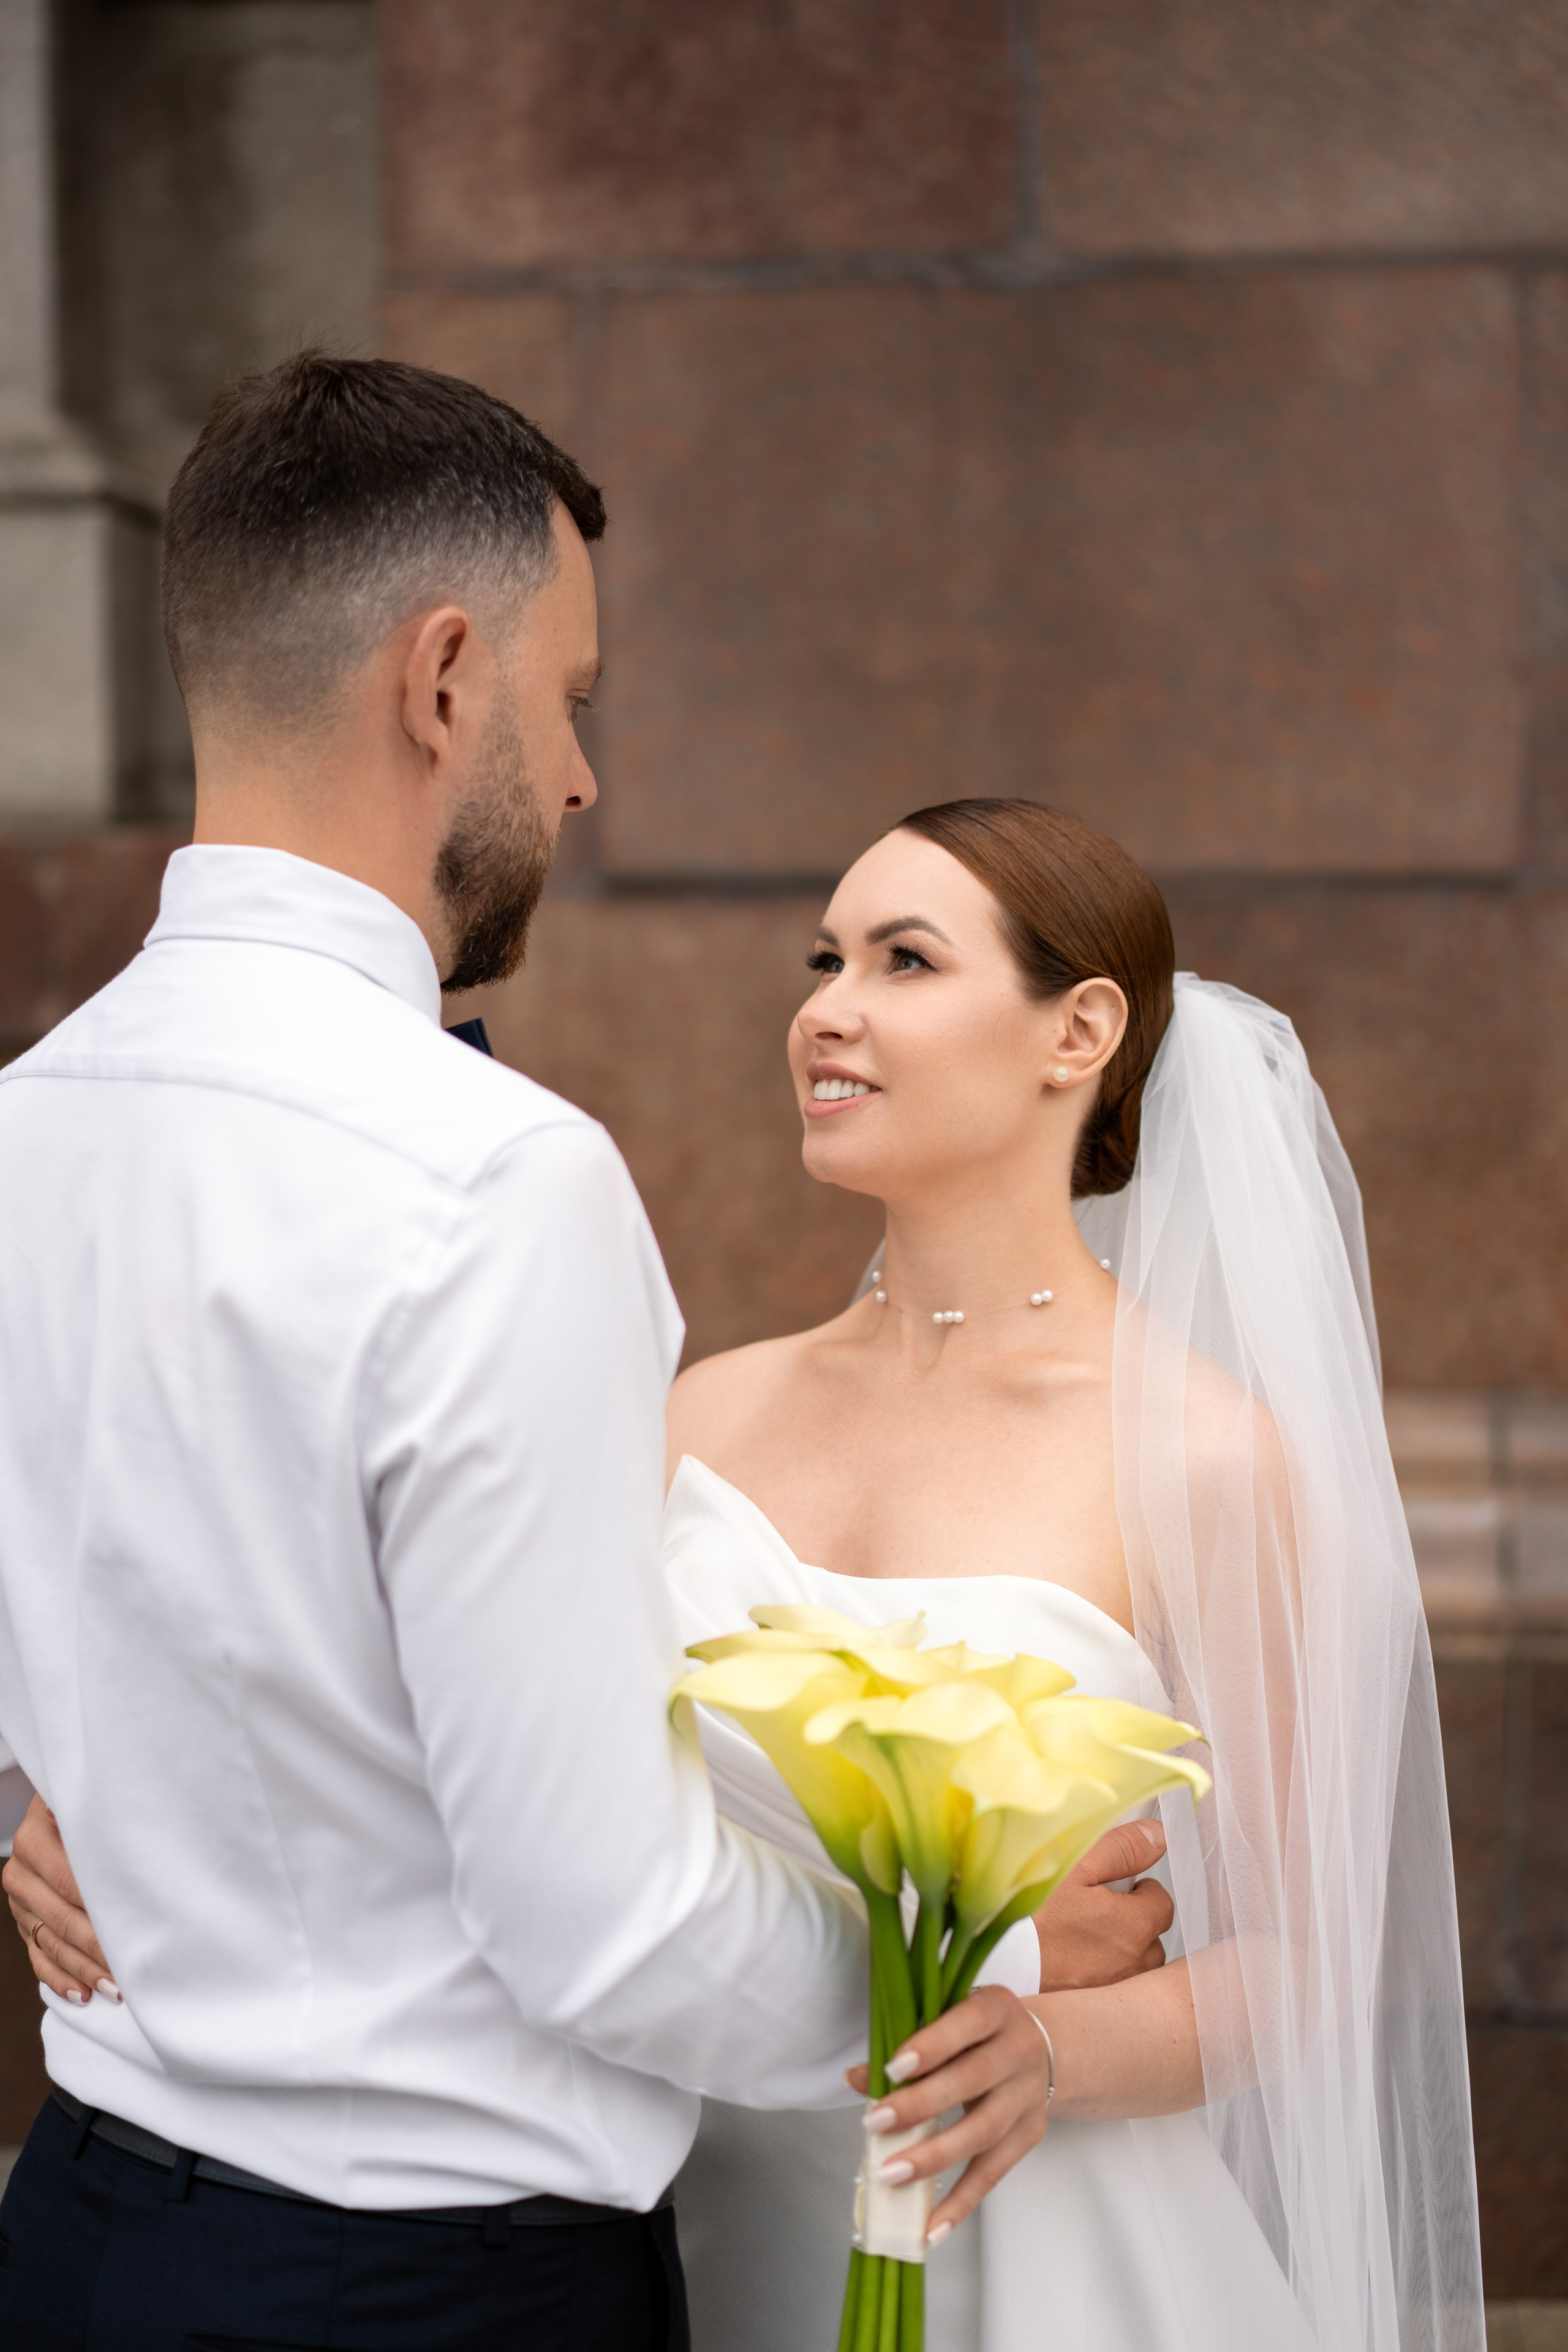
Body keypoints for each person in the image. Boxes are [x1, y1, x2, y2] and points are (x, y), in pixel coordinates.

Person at [14, 788, 1487, 2350]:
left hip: (1019, 2242)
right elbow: (448, 1714)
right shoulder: (700, 1410)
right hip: (683, 2209)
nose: (824, 1013)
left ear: (1079, 1034)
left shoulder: (1201, 1457)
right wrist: (83, 1796)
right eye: (821, 960)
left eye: (903, 963)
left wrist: (1048, 2047)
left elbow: (1312, 1960)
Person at [0, 356, 1063, 2351]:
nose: (578, 779)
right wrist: (944, 1957)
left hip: (68, 2234)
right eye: (568, 703)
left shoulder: (25, 1122)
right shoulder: (493, 1184)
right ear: (442, 678)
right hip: (414, 2288)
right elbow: (612, 1919)